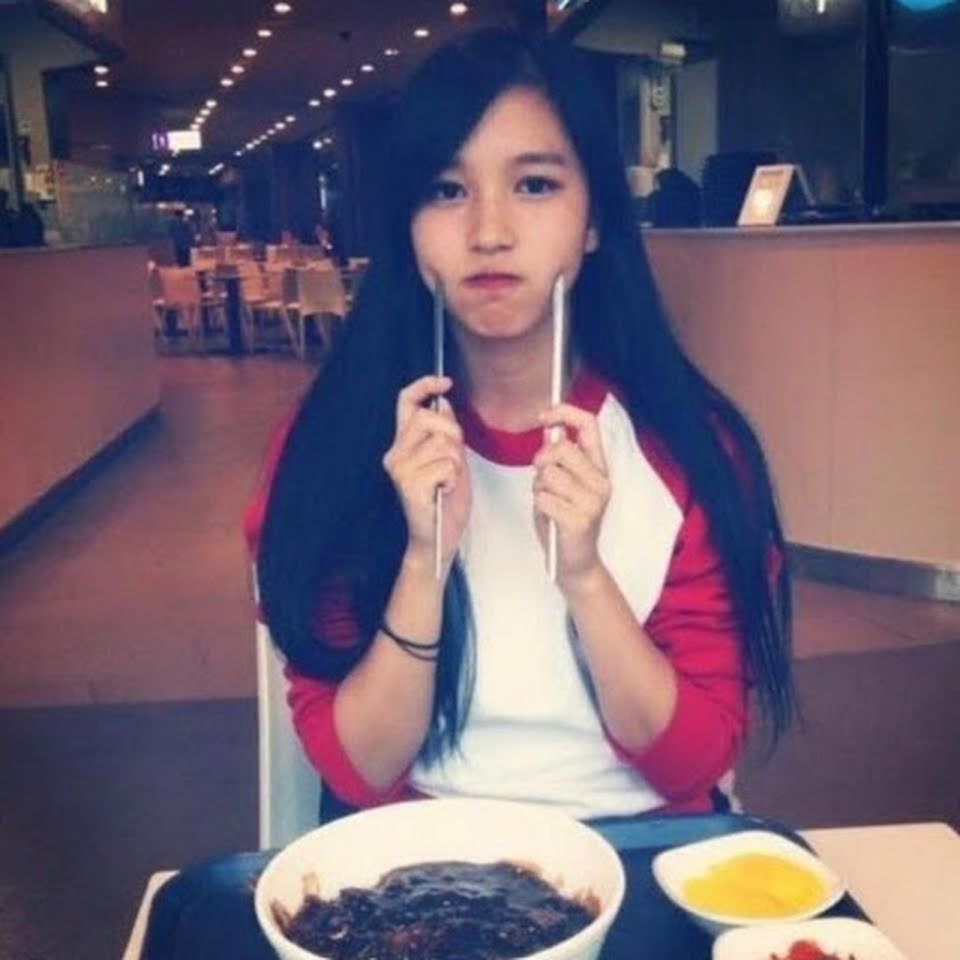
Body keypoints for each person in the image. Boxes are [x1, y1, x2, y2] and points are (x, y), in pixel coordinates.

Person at [246, 27, 795, 827]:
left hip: (641, 848)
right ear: (407, 227)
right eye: (446, 190)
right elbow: (361, 770)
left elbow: (694, 760)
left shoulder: (693, 448)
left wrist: (585, 576)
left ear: (594, 220)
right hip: (422, 855)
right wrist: (424, 561)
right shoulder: (332, 446)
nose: (489, 232)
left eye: (535, 185)